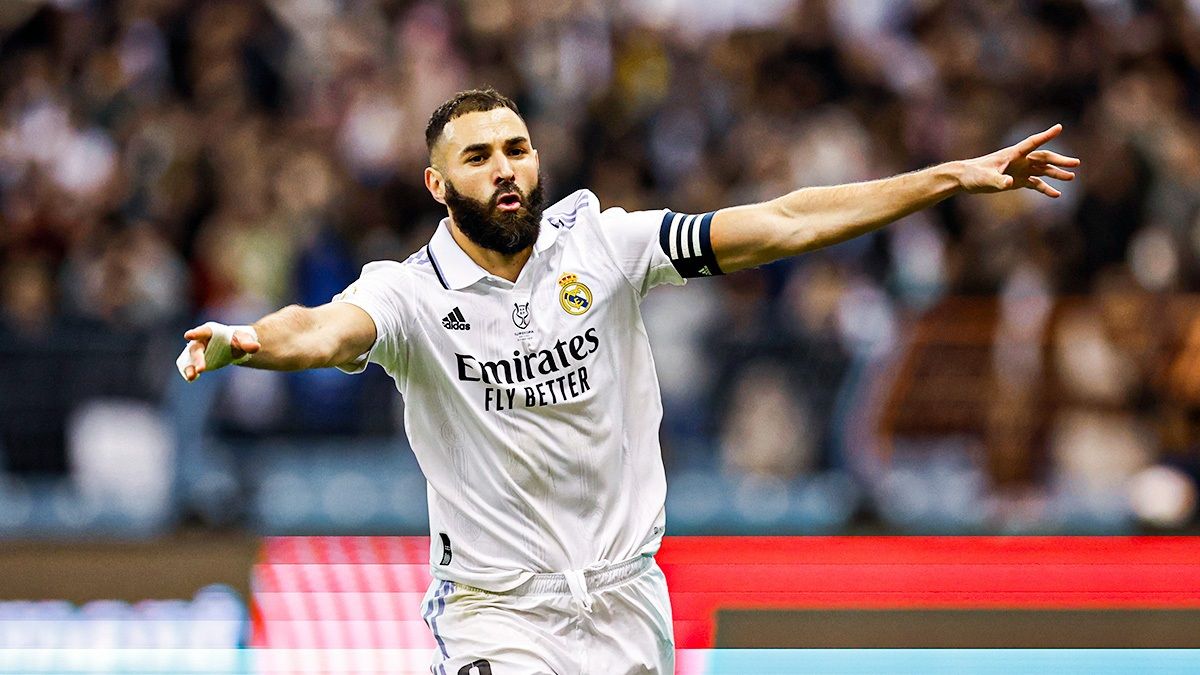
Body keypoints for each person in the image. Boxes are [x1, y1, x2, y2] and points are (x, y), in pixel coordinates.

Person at [177, 88, 1078, 674]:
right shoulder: (408, 294)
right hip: (499, 612)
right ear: (435, 182)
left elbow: (784, 222)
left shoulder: (606, 246)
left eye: (517, 148)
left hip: (624, 599)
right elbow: (322, 327)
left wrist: (952, 177)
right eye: (479, 157)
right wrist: (247, 339)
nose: (506, 169)